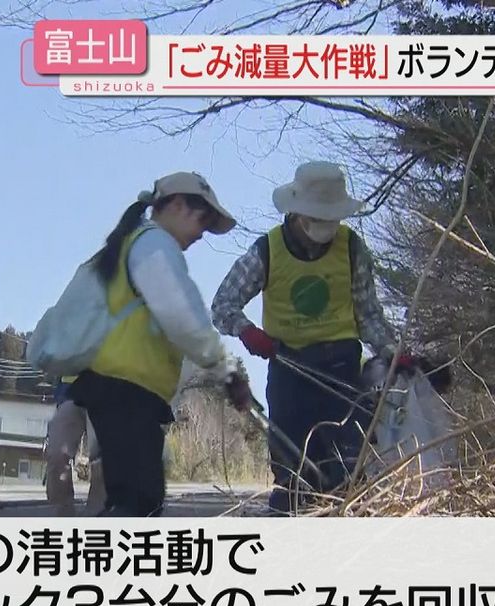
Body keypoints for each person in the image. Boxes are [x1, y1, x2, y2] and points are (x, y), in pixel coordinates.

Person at [211, 161, 410, 514]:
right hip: (290, 370)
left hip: (342, 375)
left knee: (348, 470)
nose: (326, 230)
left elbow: (369, 315)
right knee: (294, 475)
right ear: (298, 213)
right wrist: (248, 332)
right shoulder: (267, 251)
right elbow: (223, 304)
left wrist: (393, 352)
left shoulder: (352, 249)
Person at [68, 172, 252, 517]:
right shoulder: (154, 245)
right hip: (126, 389)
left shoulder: (136, 242)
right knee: (139, 500)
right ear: (177, 204)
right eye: (203, 219)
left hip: (120, 389)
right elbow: (182, 314)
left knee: (131, 498)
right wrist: (226, 370)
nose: (203, 233)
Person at [44, 375, 105, 516]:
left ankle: (96, 516)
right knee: (56, 453)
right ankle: (64, 515)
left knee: (103, 461)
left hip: (106, 392)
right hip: (70, 393)